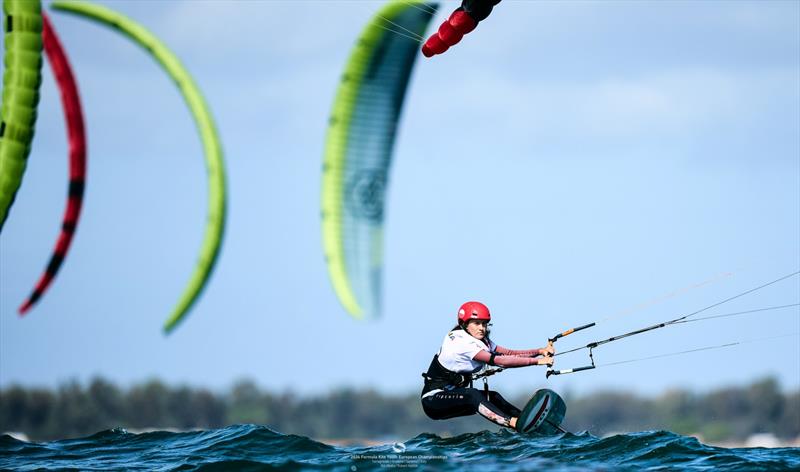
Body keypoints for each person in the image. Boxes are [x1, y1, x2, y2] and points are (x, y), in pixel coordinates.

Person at [421, 301, 554, 430]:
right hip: (433, 400)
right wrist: (537, 362)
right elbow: (499, 361)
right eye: (477, 323)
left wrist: (540, 351)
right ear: (464, 324)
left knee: (493, 397)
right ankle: (514, 423)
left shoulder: (482, 341)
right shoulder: (461, 342)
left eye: (485, 324)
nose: (482, 328)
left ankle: (529, 422)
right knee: (473, 395)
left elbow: (509, 354)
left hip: (453, 396)